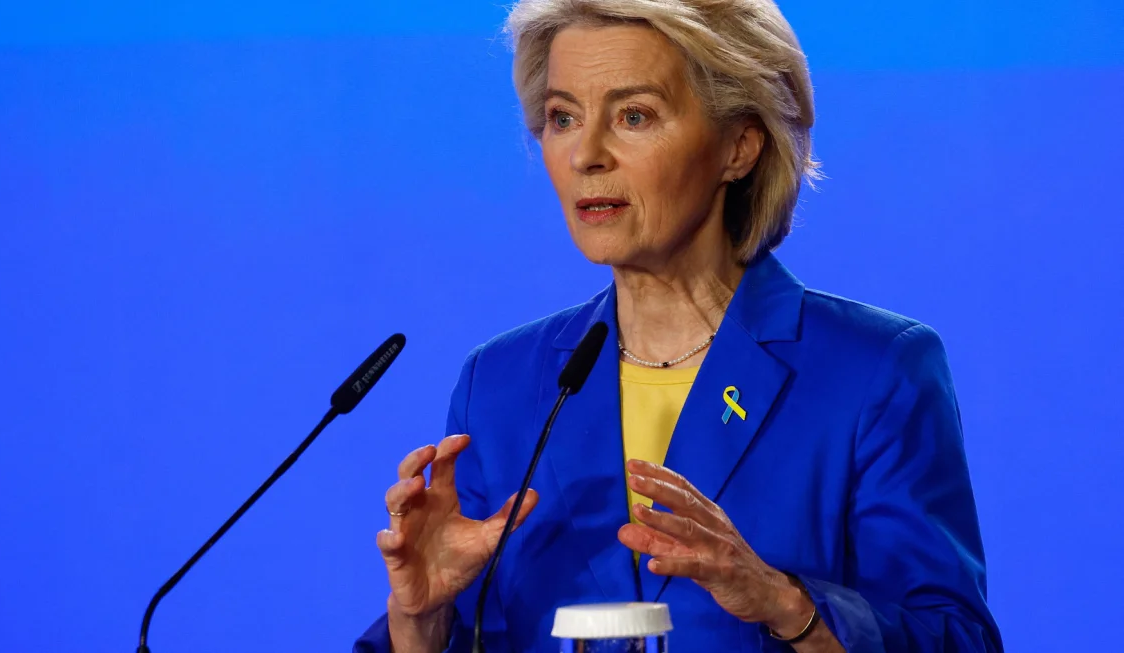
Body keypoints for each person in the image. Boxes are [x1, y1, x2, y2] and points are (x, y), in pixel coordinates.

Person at [355, 0, 1002, 651]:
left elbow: (956, 639)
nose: (586, 154)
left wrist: (785, 603)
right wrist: (421, 621)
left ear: (738, 146)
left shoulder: (872, 370)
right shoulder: (500, 383)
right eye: (562, 118)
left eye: (633, 115)